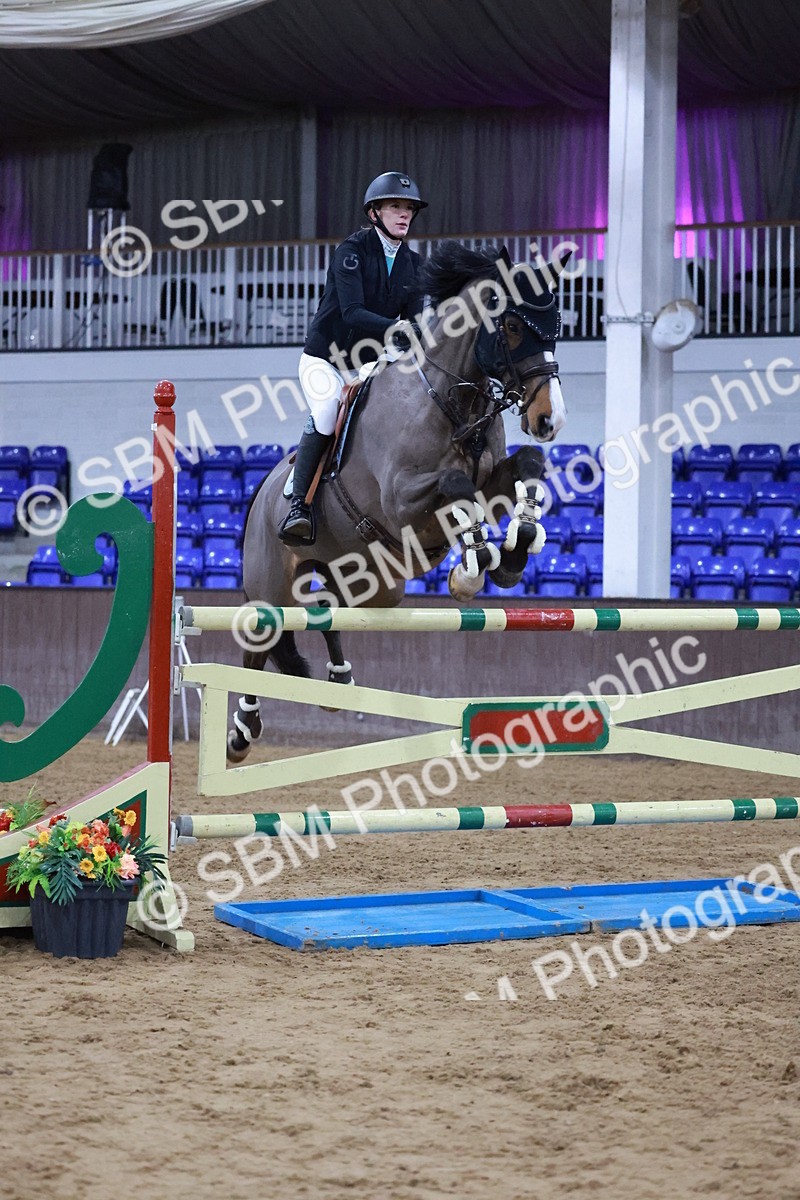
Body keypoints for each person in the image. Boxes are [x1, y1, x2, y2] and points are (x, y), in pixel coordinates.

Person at [279, 171, 427, 543]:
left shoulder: (415, 264)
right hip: (325, 360)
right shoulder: (351, 251)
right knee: (328, 411)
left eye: (409, 208)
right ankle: (299, 506)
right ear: (375, 212)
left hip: (371, 362)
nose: (404, 214)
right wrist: (399, 328)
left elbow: (415, 324)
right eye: (395, 207)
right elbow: (352, 312)